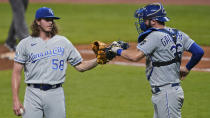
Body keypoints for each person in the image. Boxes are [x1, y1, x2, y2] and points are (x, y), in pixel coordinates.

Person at [110, 3, 204, 118]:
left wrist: (116, 50)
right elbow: (199, 52)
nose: (142, 22)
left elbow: (134, 57)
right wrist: (187, 68)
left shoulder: (154, 36)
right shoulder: (179, 33)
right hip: (168, 93)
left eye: (144, 19)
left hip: (166, 95)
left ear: (153, 20)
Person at [11, 7, 98, 118]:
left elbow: (81, 66)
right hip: (32, 94)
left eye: (52, 20)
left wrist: (98, 60)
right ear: (37, 21)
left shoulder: (63, 42)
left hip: (55, 94)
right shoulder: (25, 44)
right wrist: (15, 100)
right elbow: (16, 73)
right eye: (47, 19)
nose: (50, 22)